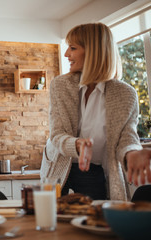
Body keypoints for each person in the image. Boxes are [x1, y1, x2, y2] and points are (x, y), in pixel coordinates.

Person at [40, 22, 151, 201]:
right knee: (53, 222)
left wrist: (133, 152)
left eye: (73, 48)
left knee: (93, 222)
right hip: (58, 169)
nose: (67, 54)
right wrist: (76, 145)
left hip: (94, 172)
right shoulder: (60, 85)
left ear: (93, 52)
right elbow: (57, 133)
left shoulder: (126, 93)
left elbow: (127, 138)